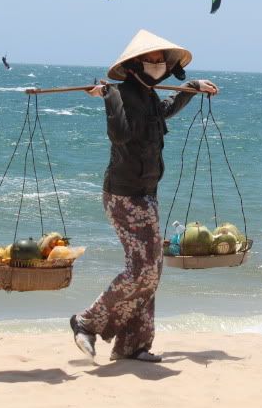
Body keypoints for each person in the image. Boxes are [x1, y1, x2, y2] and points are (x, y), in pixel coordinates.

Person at [70, 29, 218, 363]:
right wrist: (109, 96)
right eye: (151, 59)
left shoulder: (149, 95)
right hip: (124, 195)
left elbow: (164, 110)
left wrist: (192, 88)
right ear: (137, 62)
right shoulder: (122, 93)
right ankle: (85, 322)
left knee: (153, 271)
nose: (157, 63)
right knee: (141, 271)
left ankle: (133, 345)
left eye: (160, 60)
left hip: (146, 194)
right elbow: (120, 134)